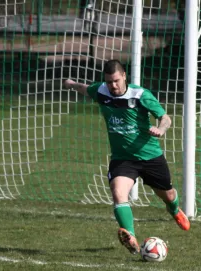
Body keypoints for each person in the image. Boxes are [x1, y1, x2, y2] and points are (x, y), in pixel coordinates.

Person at [63, 60, 190, 255]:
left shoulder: (140, 95)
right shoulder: (102, 91)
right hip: (122, 159)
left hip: (149, 156)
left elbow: (165, 118)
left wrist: (160, 129)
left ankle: (173, 210)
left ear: (124, 76)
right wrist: (71, 84)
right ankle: (130, 236)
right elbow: (86, 89)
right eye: (108, 82)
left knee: (169, 194)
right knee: (118, 193)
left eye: (115, 81)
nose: (112, 86)